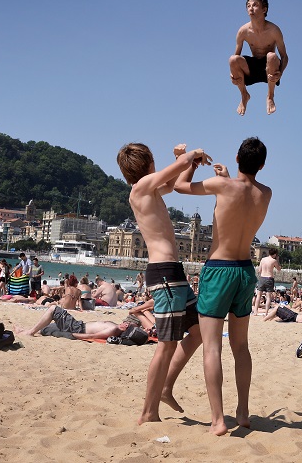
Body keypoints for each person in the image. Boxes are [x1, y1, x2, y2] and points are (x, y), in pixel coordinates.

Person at [172, 137, 272, 435]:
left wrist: (190, 162)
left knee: (212, 347)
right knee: (240, 346)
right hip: (245, 271)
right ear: (263, 165)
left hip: (219, 270)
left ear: (238, 158)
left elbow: (179, 186)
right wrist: (227, 177)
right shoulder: (265, 193)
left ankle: (218, 420)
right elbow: (239, 200)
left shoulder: (222, 186)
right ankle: (242, 410)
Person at [116, 141, 212, 426]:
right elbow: (176, 170)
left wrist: (188, 161)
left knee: (197, 333)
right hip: (165, 274)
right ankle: (147, 412)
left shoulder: (150, 189)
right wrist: (191, 154)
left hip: (174, 274)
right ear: (146, 164)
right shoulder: (141, 188)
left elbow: (176, 181)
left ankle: (166, 388)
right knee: (167, 345)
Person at [230, 0, 288, 116]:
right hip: (252, 69)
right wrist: (233, 75)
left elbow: (284, 56)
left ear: (264, 9)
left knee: (272, 56)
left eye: (255, 5)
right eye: (248, 6)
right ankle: (244, 95)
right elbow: (236, 57)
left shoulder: (274, 30)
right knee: (232, 59)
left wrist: (280, 73)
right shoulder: (243, 31)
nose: (251, 8)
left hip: (269, 69)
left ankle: (270, 96)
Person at [14, 305, 128, 340]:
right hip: (78, 325)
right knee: (47, 328)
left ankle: (30, 332)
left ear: (125, 330)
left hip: (77, 328)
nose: (126, 323)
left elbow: (93, 336)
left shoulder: (114, 329)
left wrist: (74, 335)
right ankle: (25, 331)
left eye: (128, 326)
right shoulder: (116, 327)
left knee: (53, 309)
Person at [253, 248, 281, 316]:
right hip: (269, 278)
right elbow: (279, 269)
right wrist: (277, 260)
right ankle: (266, 312)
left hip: (262, 277)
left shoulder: (263, 259)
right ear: (274, 254)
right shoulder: (274, 261)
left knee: (259, 295)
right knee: (268, 296)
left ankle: (255, 311)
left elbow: (259, 270)